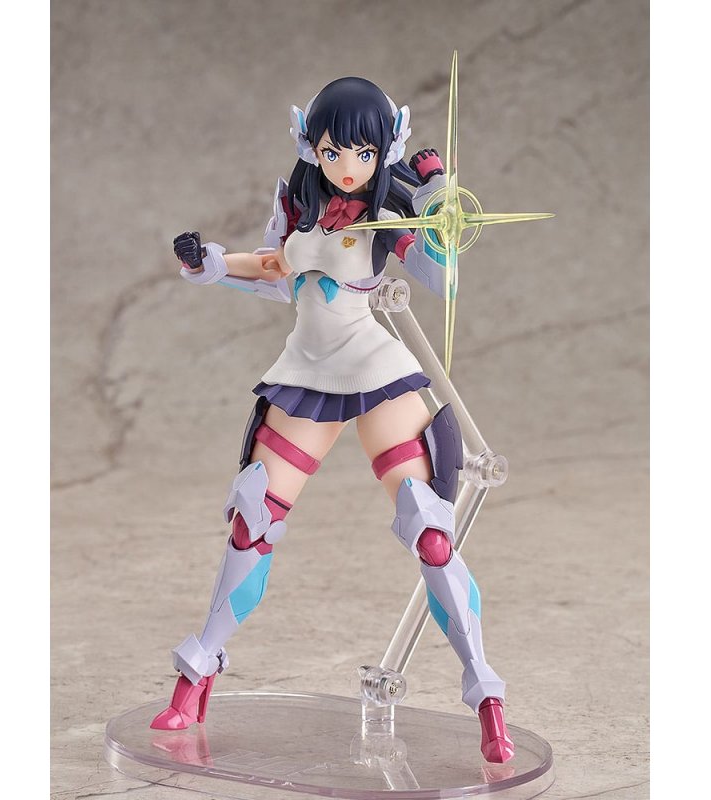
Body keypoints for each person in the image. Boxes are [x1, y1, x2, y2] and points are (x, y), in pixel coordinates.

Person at [151, 76, 514, 763]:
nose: (349, 167)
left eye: (364, 154)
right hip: (306, 371)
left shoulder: (384, 216)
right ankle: (197, 673)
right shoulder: (299, 204)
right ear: (310, 146)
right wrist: (211, 265)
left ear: (385, 151)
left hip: (376, 370)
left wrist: (437, 206)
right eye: (334, 151)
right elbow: (274, 270)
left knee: (430, 530)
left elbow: (441, 274)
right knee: (252, 518)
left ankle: (486, 694)